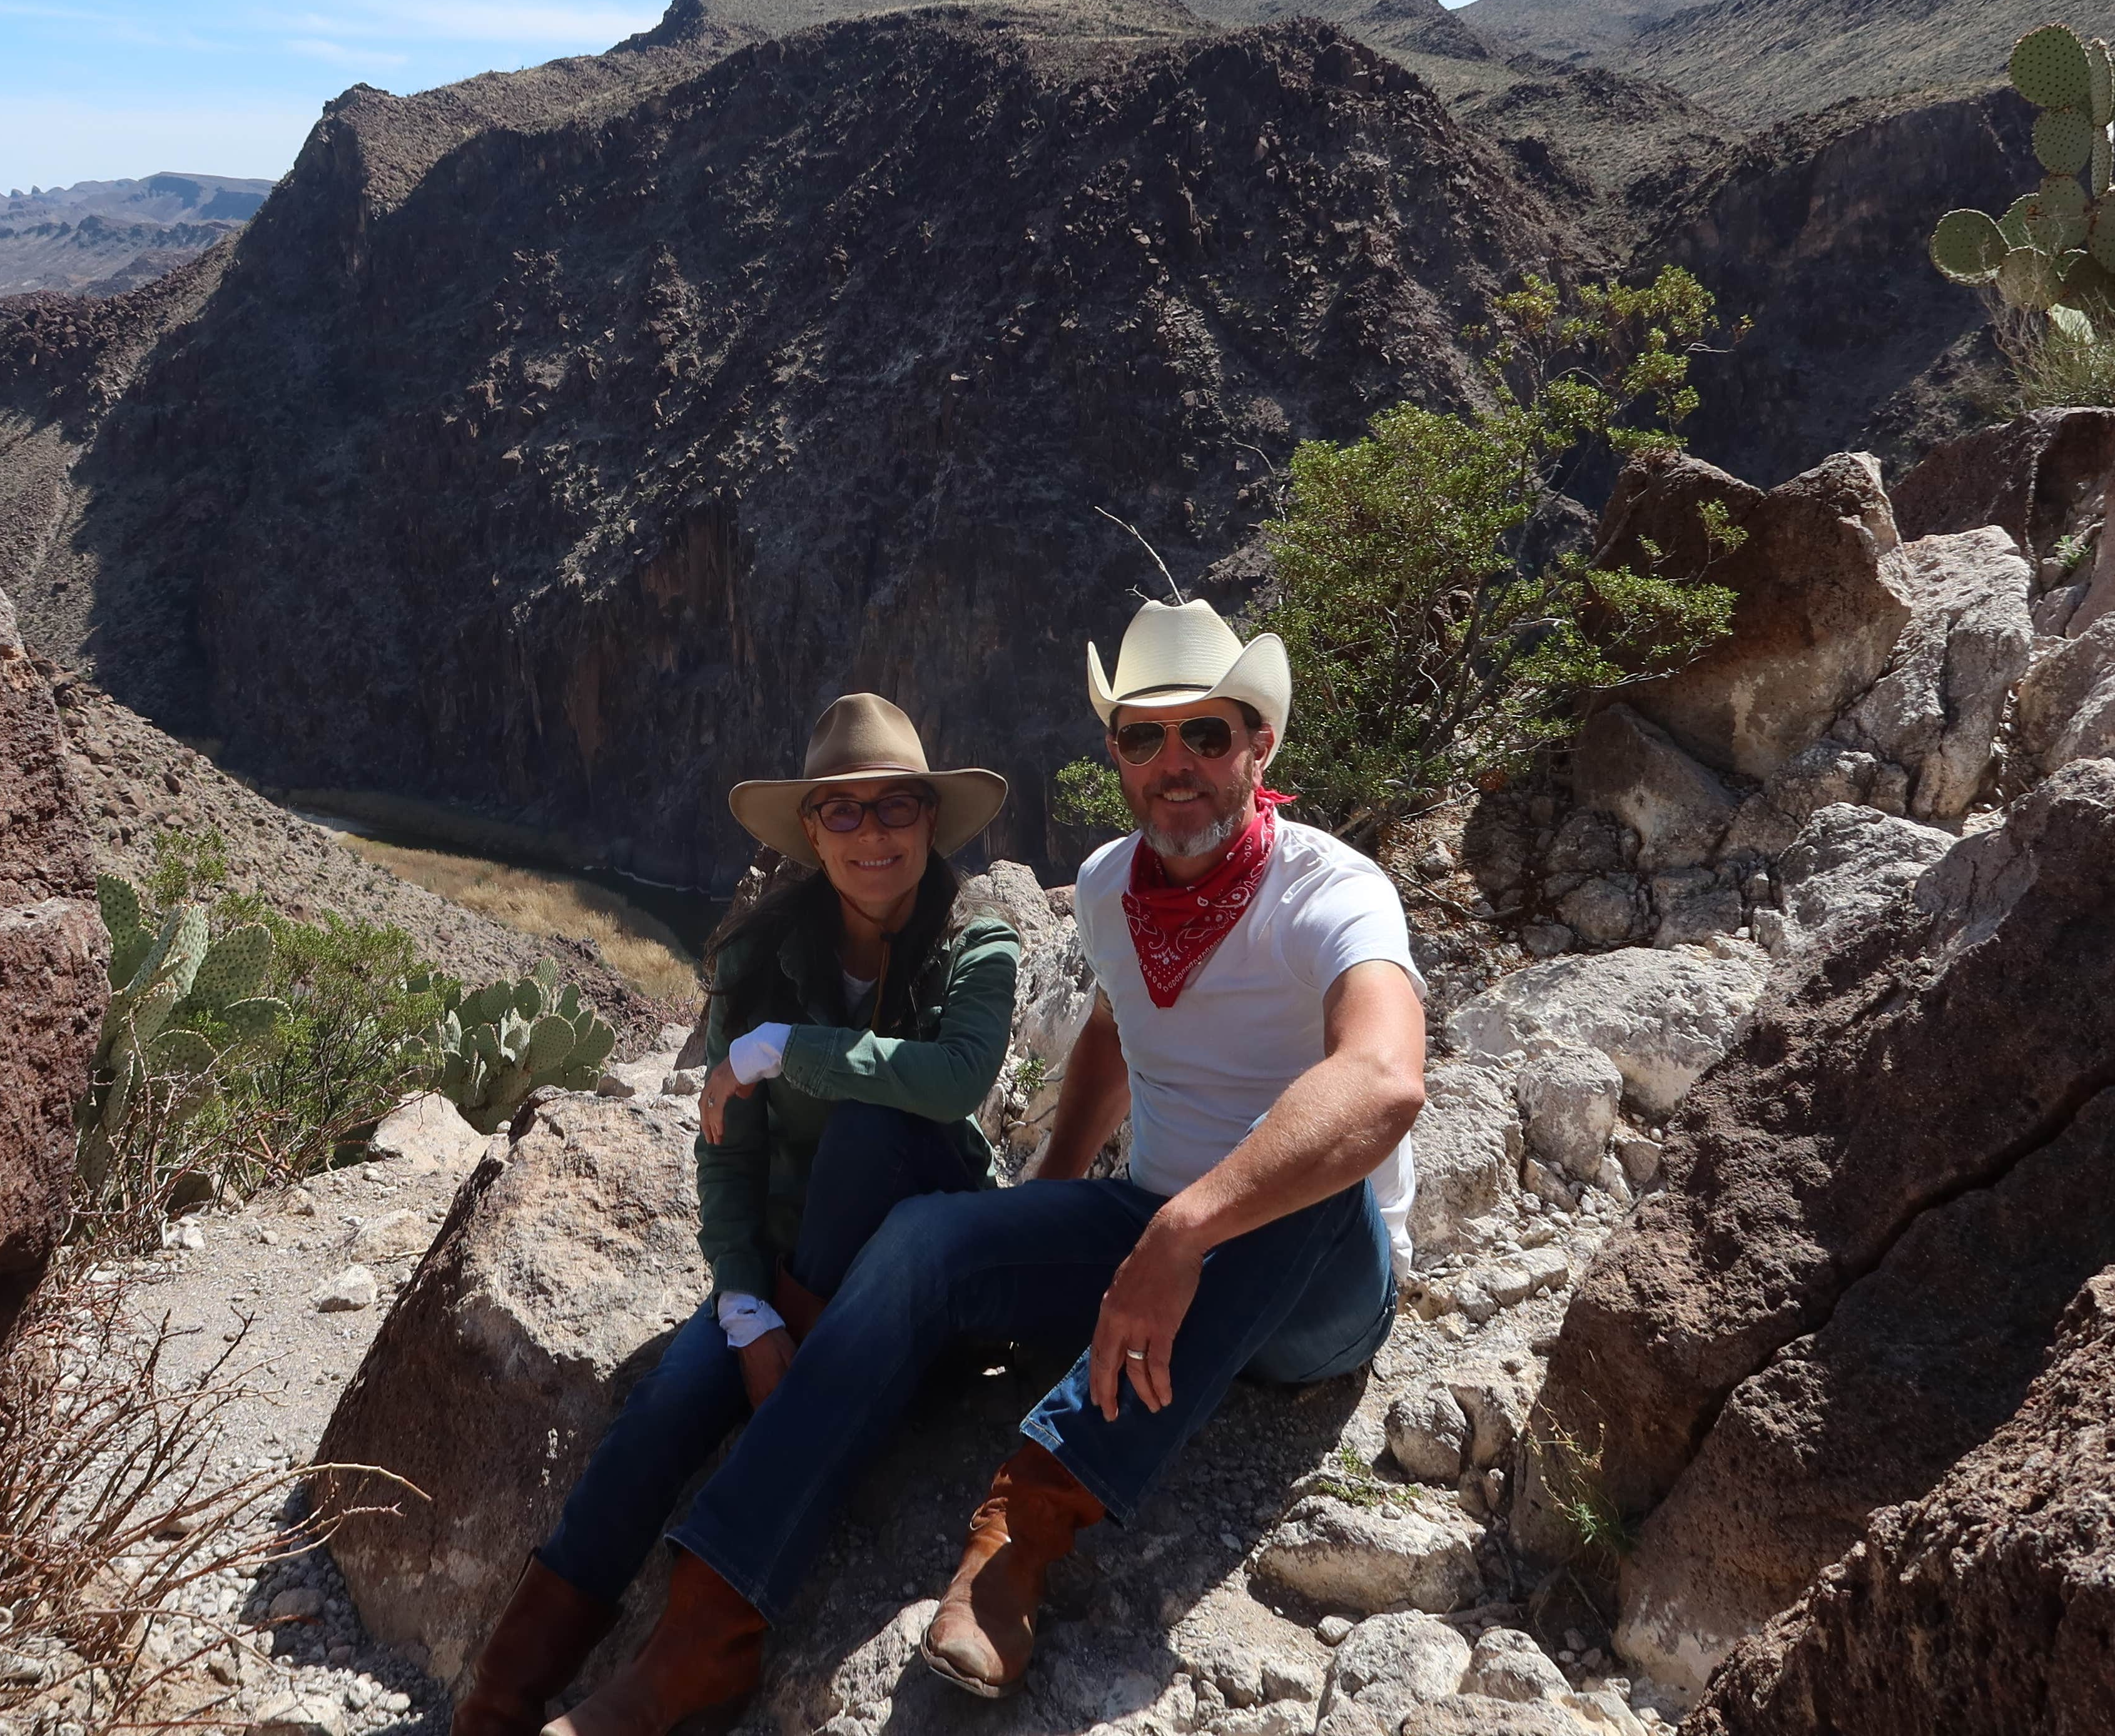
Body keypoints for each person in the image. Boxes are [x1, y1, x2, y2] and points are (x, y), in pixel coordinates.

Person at [544, 598, 1426, 1736]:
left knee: (1306, 1165)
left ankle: (1020, 1537)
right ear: (1114, 753)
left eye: (1208, 734)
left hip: (1318, 1292)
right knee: (927, 1241)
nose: (1176, 764)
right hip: (1151, 1231)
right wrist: (1061, 1184)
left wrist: (1184, 1229)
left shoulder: (1331, 890)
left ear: (1262, 745)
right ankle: (698, 1638)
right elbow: (1118, 1028)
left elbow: (1385, 1080)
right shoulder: (1113, 886)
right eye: (1144, 737)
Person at [454, 693, 1020, 1736]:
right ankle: (501, 1692)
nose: (872, 835)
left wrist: (777, 1051)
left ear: (929, 822)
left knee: (866, 1127)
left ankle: (698, 1653)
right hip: (794, 1272)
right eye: (842, 814)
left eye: (894, 807)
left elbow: (950, 1085)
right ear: (811, 832)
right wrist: (750, 1313)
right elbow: (730, 1157)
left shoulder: (976, 948)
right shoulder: (760, 958)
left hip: (921, 1289)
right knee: (669, 1404)